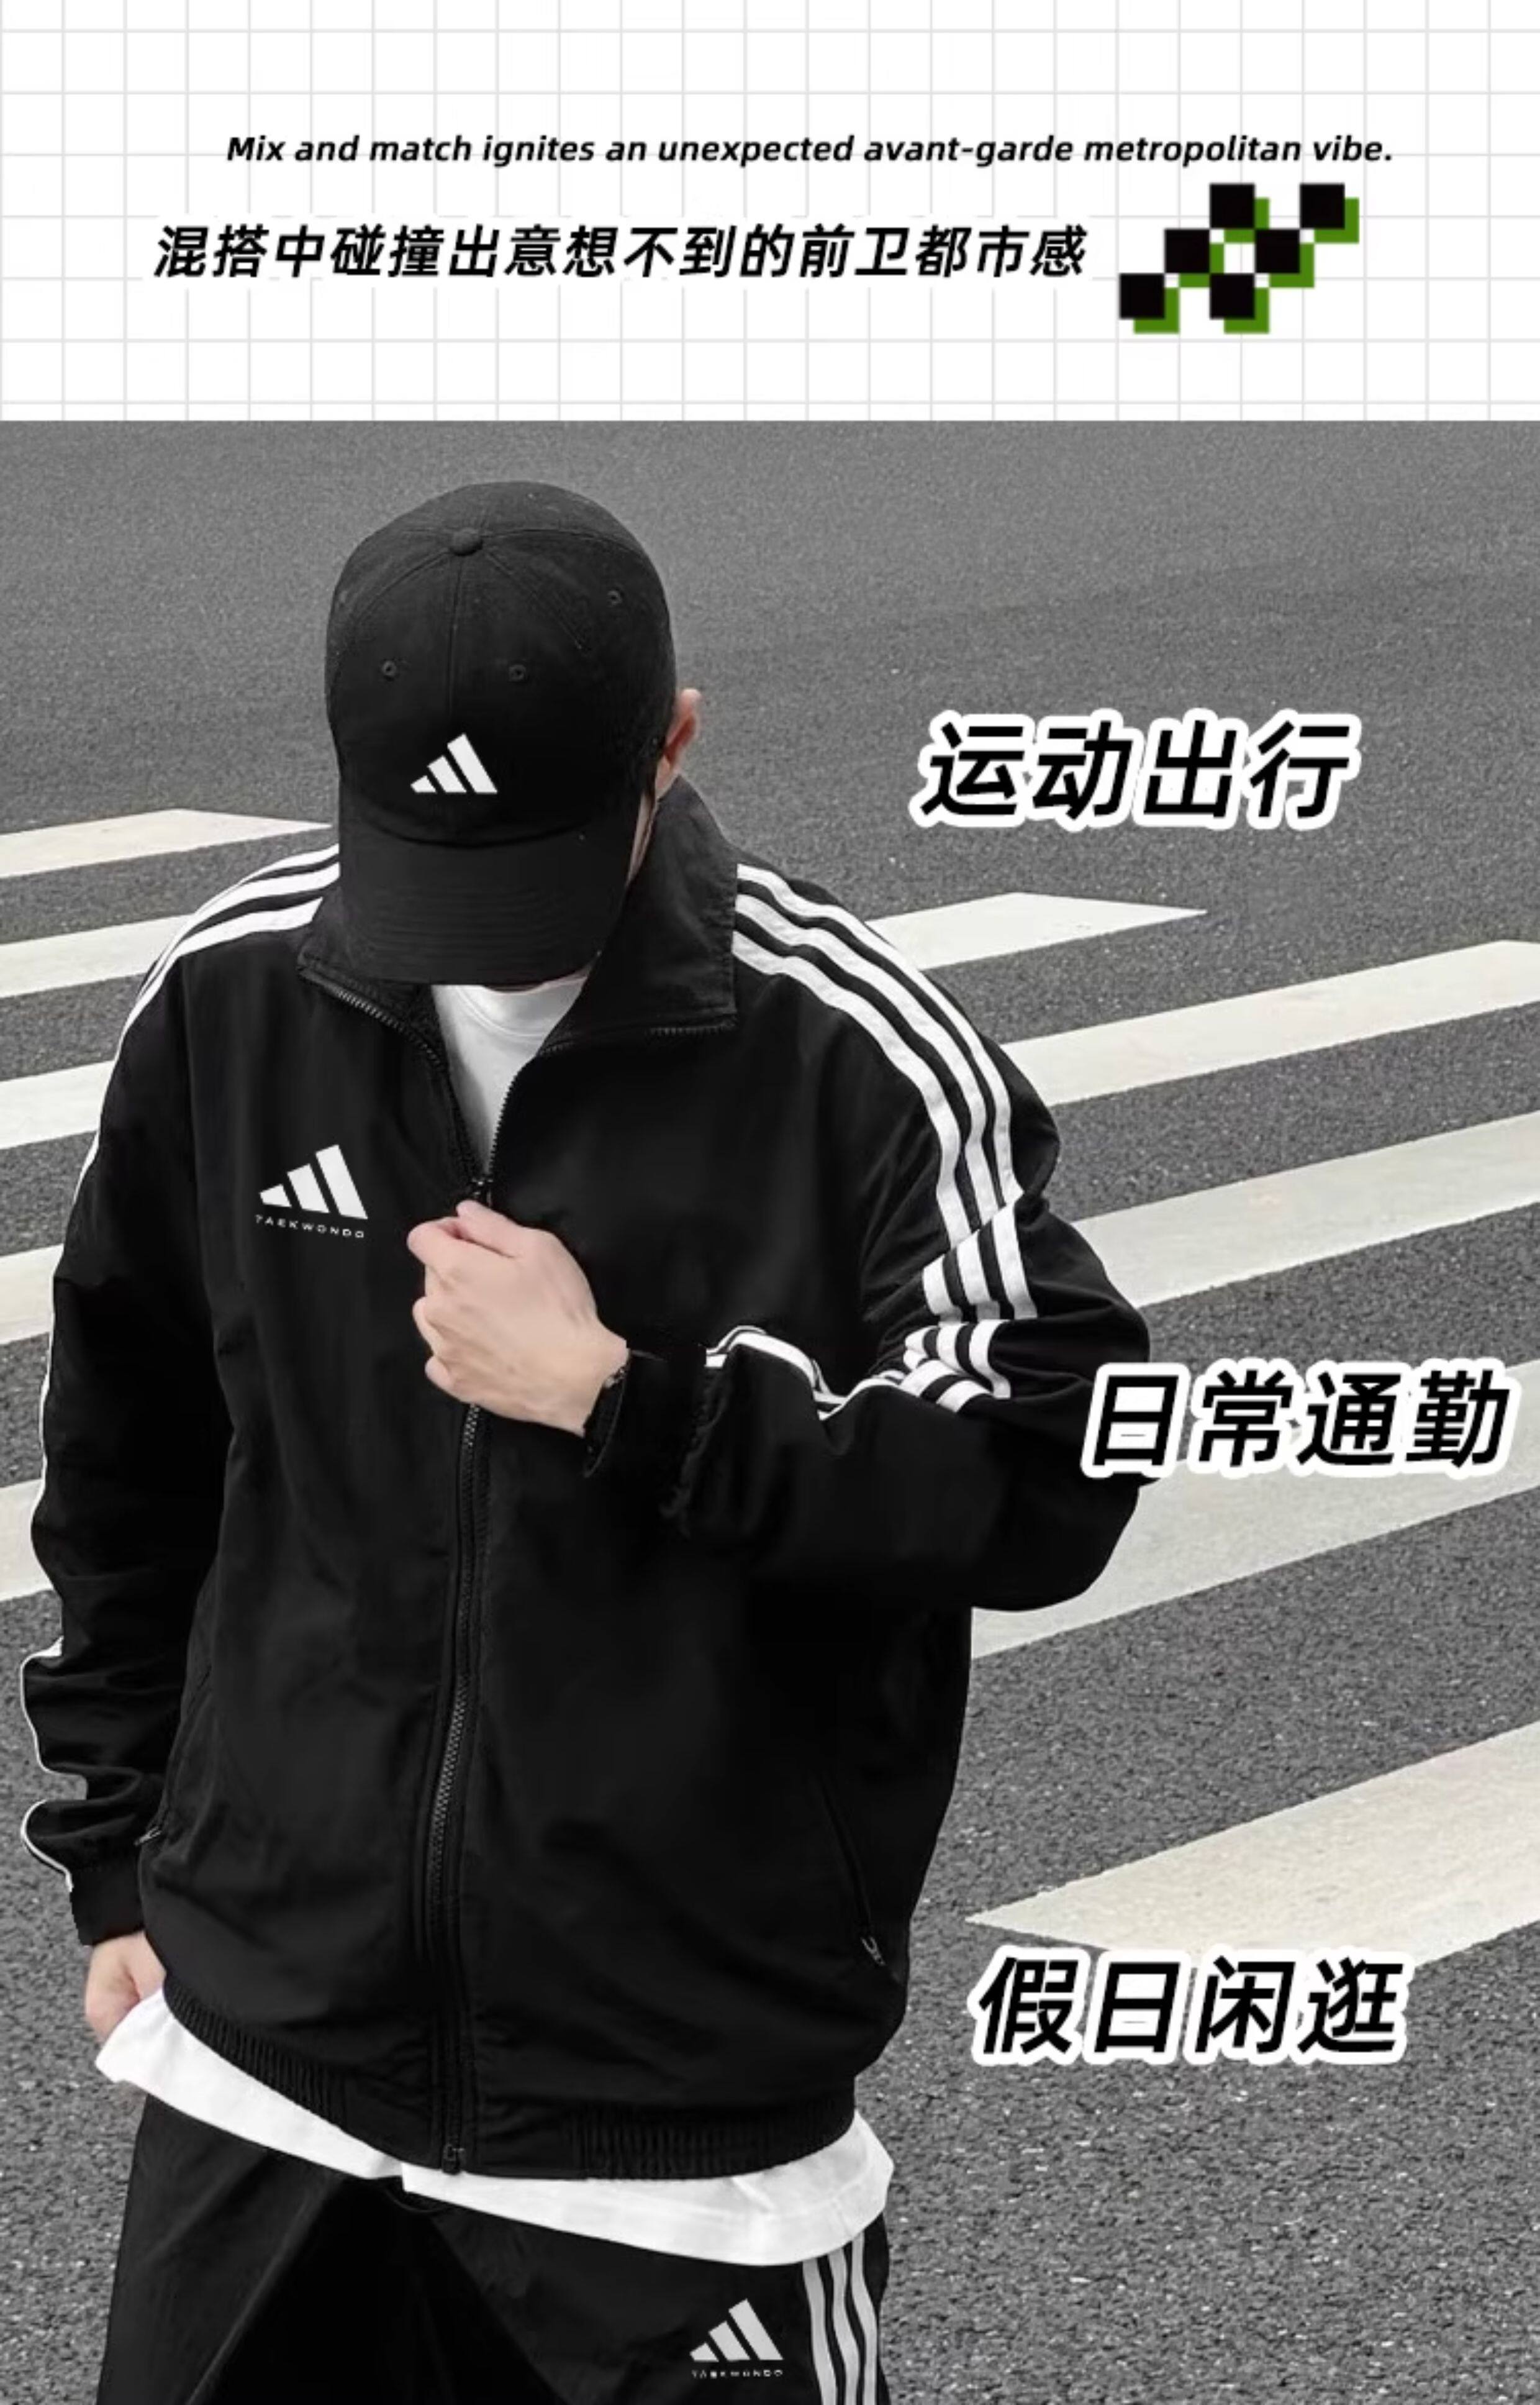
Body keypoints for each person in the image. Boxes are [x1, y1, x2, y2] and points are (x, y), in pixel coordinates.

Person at [19, 479, 1151, 2403]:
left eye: (530, 881)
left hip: (674, 2133)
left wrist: (636, 1403)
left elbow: (1051, 1472)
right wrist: (116, 1855)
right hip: (265, 2059)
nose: (479, 954)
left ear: (673, 745)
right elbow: (129, 1458)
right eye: (429, 879)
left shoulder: (851, 1051)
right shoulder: (233, 995)